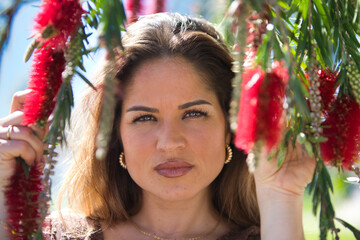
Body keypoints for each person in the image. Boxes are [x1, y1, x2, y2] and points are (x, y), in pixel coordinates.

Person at [0, 13, 315, 240]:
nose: (170, 142)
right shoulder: (57, 235)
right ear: (114, 137)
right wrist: (3, 194)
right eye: (144, 118)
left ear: (231, 127)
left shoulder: (276, 232)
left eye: (193, 113)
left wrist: (280, 196)